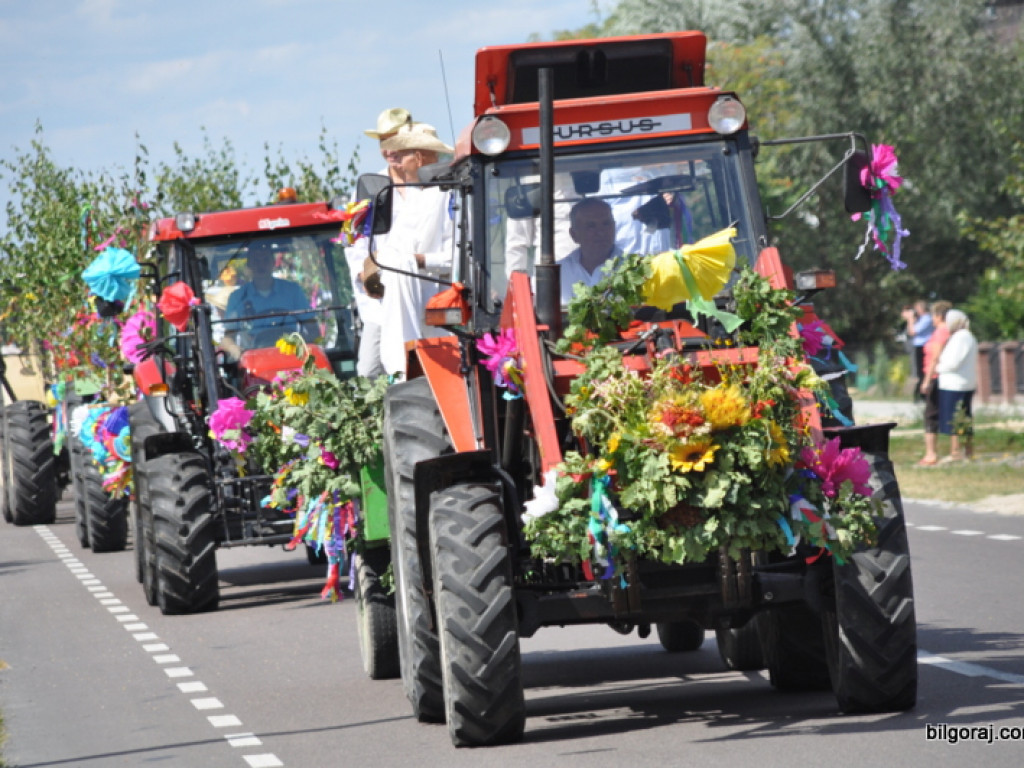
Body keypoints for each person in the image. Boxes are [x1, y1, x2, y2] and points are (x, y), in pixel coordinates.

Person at [374, 122, 455, 377]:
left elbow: (459, 257)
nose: (396, 159)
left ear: (419, 158)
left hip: (440, 308)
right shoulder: (414, 199)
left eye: (404, 153)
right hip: (411, 302)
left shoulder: (448, 197)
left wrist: (415, 261)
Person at [346, 107, 416, 378]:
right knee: (369, 371)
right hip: (381, 293)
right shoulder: (369, 186)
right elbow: (354, 239)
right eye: (383, 142)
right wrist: (365, 272)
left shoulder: (432, 180)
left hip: (423, 285)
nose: (389, 150)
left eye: (394, 140)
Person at [220, 241, 315, 358]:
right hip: (254, 360)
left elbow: (312, 326)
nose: (261, 265)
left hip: (291, 356)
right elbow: (228, 337)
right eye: (256, 261)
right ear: (249, 265)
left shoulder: (293, 291)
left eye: (265, 260)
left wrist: (306, 347)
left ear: (273, 263)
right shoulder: (237, 297)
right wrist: (235, 350)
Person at [558, 198, 622, 305]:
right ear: (574, 234)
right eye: (591, 226)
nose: (601, 232)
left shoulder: (635, 269)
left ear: (614, 227)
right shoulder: (558, 273)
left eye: (606, 224)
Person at [935, 308, 978, 462]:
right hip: (959, 383)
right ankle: (966, 451)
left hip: (955, 385)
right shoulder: (963, 337)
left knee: (955, 419)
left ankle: (957, 452)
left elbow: (953, 362)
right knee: (962, 419)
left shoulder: (962, 337)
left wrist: (938, 368)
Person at [916, 300, 952, 466]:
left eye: (933, 315)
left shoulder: (940, 333)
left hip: (935, 377)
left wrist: (926, 380)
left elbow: (934, 359)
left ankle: (931, 454)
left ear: (938, 316)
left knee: (930, 415)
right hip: (941, 376)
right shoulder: (949, 331)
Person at [901, 300, 933, 401]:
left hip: (922, 346)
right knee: (918, 371)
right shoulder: (921, 319)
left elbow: (912, 331)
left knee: (921, 372)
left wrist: (910, 319)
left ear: (921, 308)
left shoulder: (926, 318)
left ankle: (921, 394)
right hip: (918, 346)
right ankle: (920, 394)